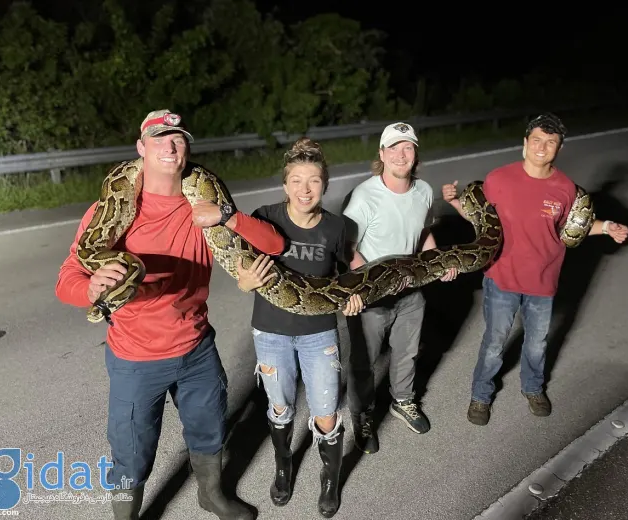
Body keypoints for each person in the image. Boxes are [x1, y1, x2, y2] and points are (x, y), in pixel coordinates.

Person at [55, 109, 286, 520]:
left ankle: (212, 495)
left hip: (197, 346)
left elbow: (270, 245)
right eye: (159, 138)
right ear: (141, 148)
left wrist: (241, 254)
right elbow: (66, 280)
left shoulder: (206, 202)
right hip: (136, 357)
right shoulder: (109, 212)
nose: (170, 146)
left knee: (210, 429)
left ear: (187, 149)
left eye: (178, 138)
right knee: (130, 450)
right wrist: (90, 288)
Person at [441, 113, 628, 426]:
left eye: (550, 142)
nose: (542, 148)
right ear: (525, 144)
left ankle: (533, 388)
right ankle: (480, 395)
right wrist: (455, 203)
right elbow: (481, 219)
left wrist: (608, 226)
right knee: (494, 342)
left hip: (543, 281)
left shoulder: (566, 189)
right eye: (537, 140)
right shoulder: (499, 179)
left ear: (559, 148)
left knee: (537, 343)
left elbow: (573, 228)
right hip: (501, 277)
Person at [236, 137, 364, 518]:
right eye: (296, 180)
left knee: (326, 412)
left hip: (319, 333)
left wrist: (356, 294)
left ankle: (329, 479)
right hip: (270, 331)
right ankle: (283, 465)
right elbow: (242, 269)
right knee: (280, 407)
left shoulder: (338, 227)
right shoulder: (264, 218)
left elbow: (351, 269)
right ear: (285, 184)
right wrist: (245, 282)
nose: (304, 189)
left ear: (325, 185)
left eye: (313, 181)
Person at [342, 122, 458, 454]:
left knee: (407, 353)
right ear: (381, 154)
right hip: (373, 298)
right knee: (364, 361)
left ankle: (403, 401)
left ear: (415, 154)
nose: (400, 155)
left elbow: (423, 235)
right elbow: (348, 247)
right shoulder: (364, 196)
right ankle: (363, 416)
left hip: (411, 292)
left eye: (407, 147)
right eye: (393, 148)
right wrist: (373, 285)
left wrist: (439, 263)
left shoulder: (423, 191)